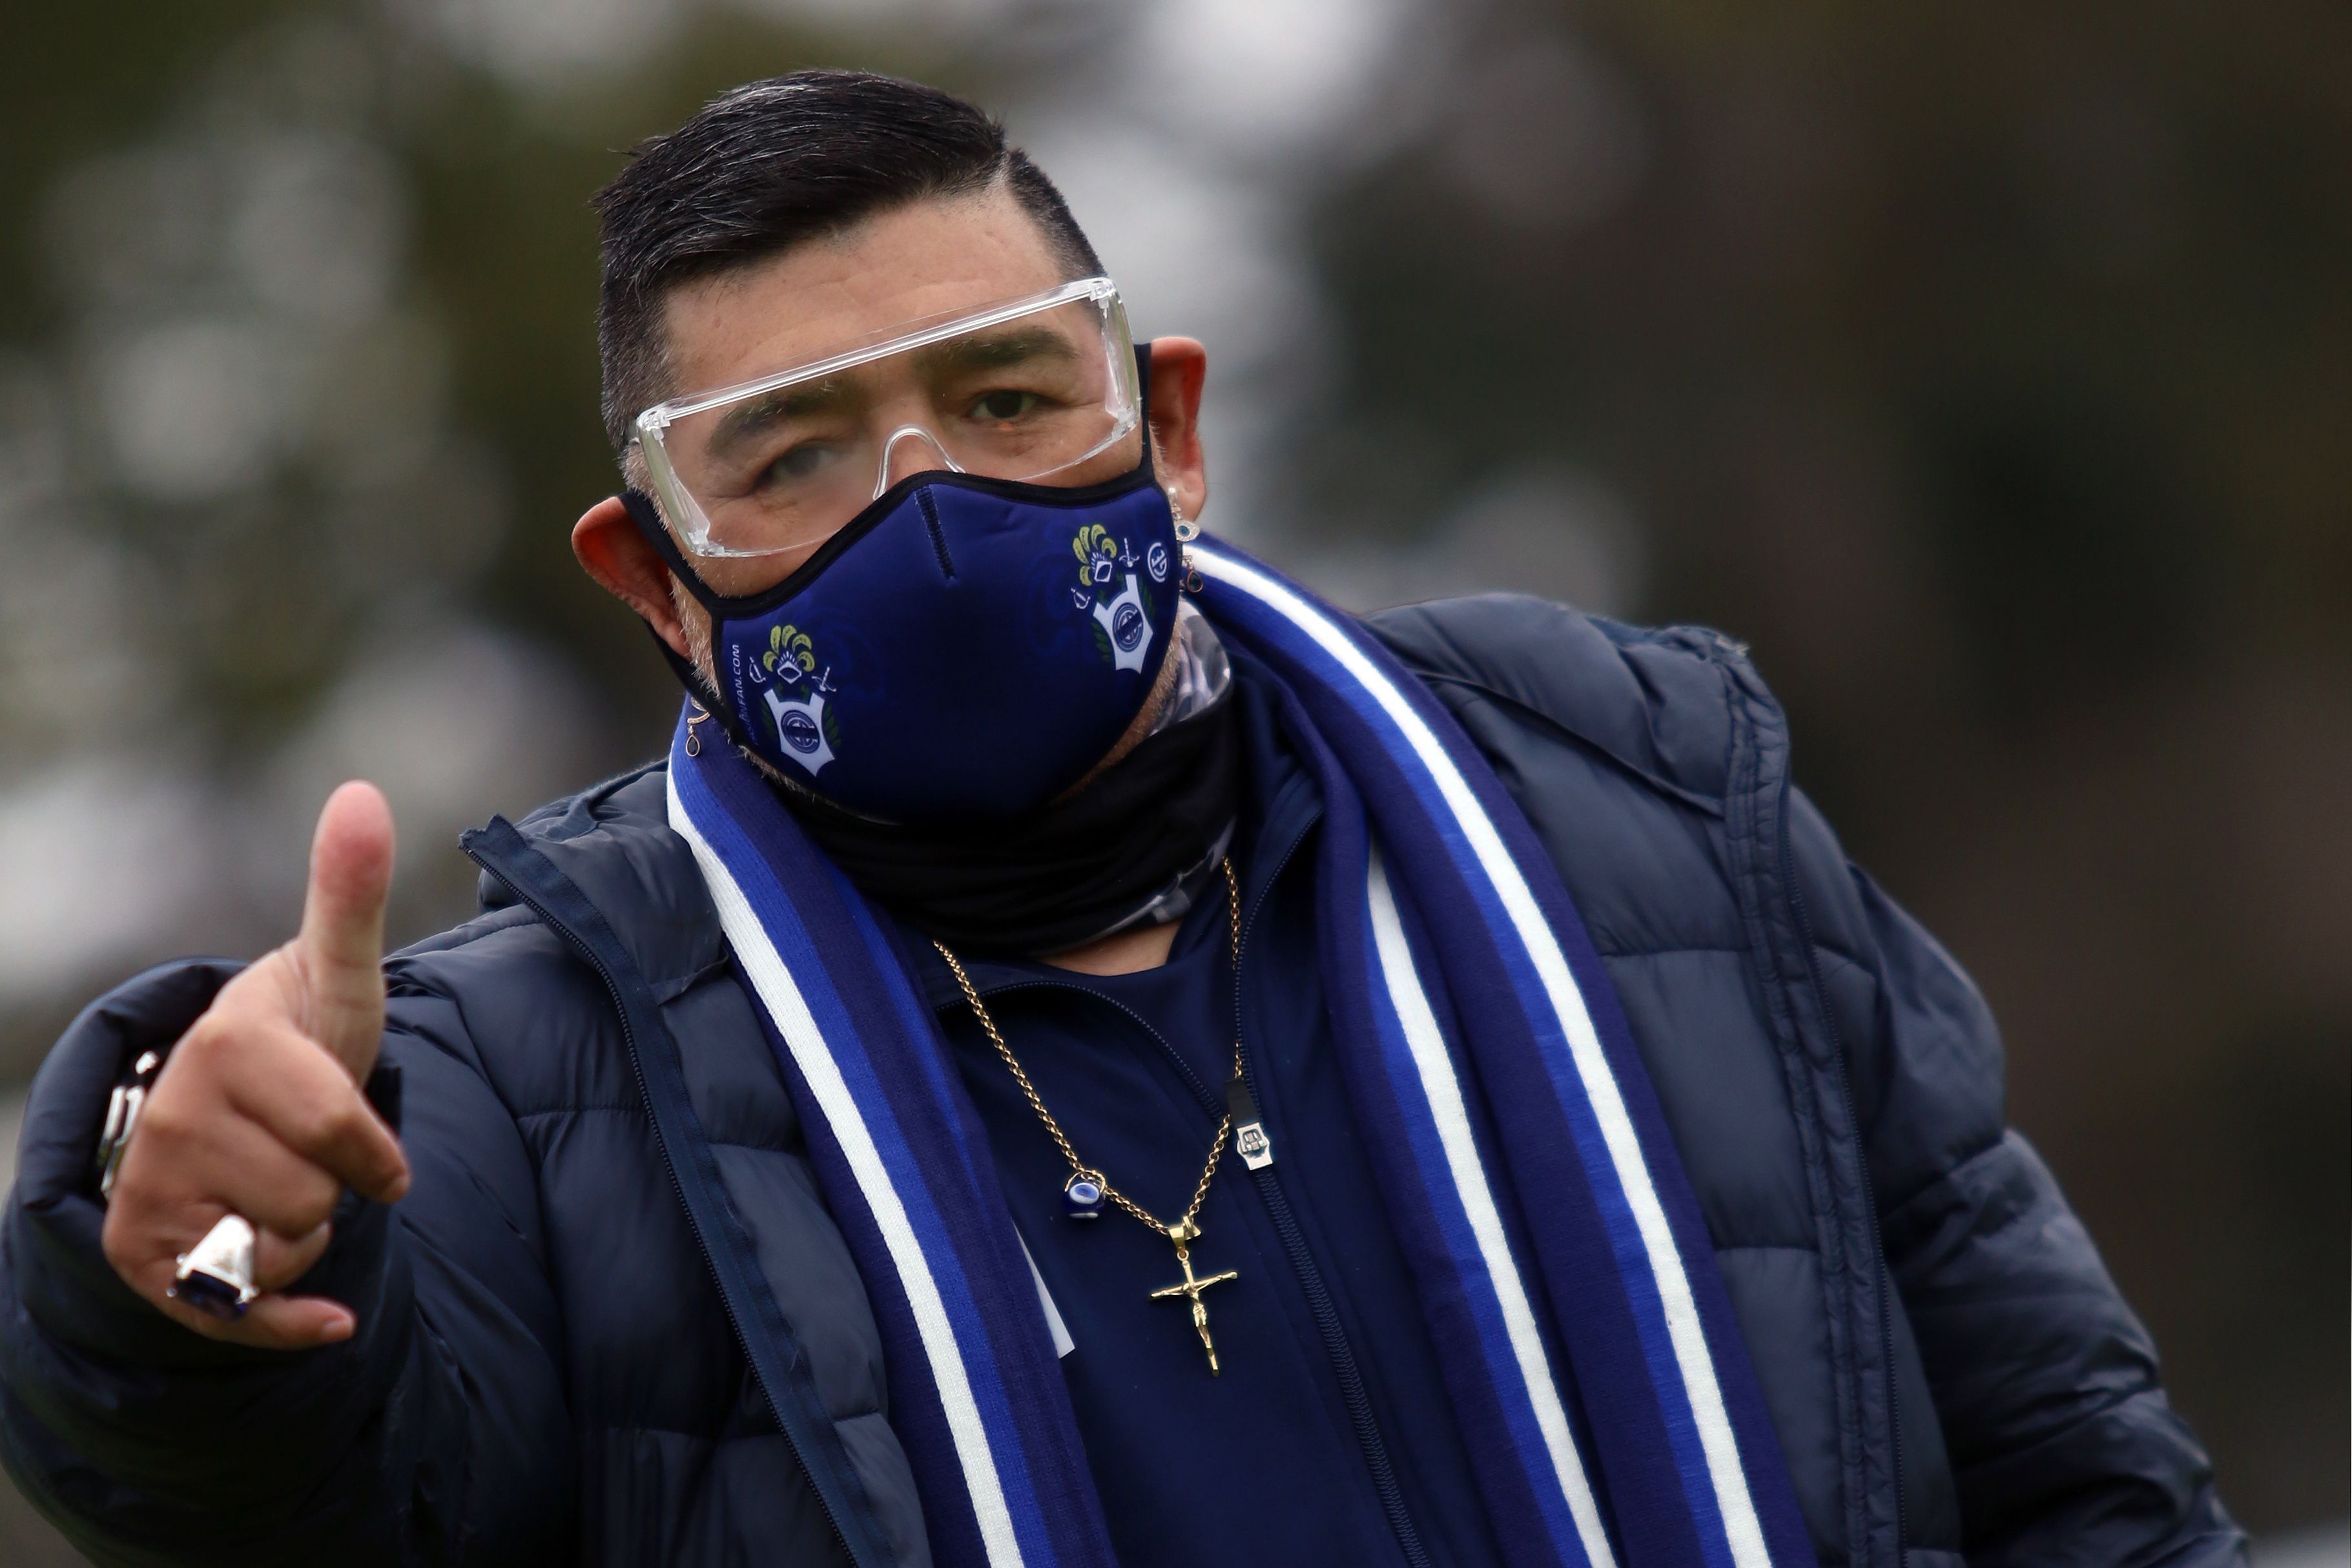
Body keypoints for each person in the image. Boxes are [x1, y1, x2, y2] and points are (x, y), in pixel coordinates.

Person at [0, 71, 2245, 1568]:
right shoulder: (511, 1075)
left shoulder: (1635, 784)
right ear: (654, 582)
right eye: (791, 456)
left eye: (1005, 398)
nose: (931, 508)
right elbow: (257, 1497)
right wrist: (192, 1282)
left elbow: (2077, 1475)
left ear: (1164, 430)